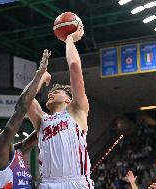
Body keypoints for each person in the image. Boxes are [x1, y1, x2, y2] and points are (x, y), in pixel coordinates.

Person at [0, 49, 52, 189]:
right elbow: (21, 108)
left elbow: (32, 139)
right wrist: (39, 74)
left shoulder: (9, 152)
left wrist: (50, 120)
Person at [27, 26, 94, 188]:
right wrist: (40, 76)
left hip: (77, 181)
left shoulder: (76, 110)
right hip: (49, 183)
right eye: (50, 91)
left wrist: (69, 40)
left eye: (56, 91)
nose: (51, 93)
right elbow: (25, 101)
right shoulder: (42, 120)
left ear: (68, 100)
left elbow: (75, 68)